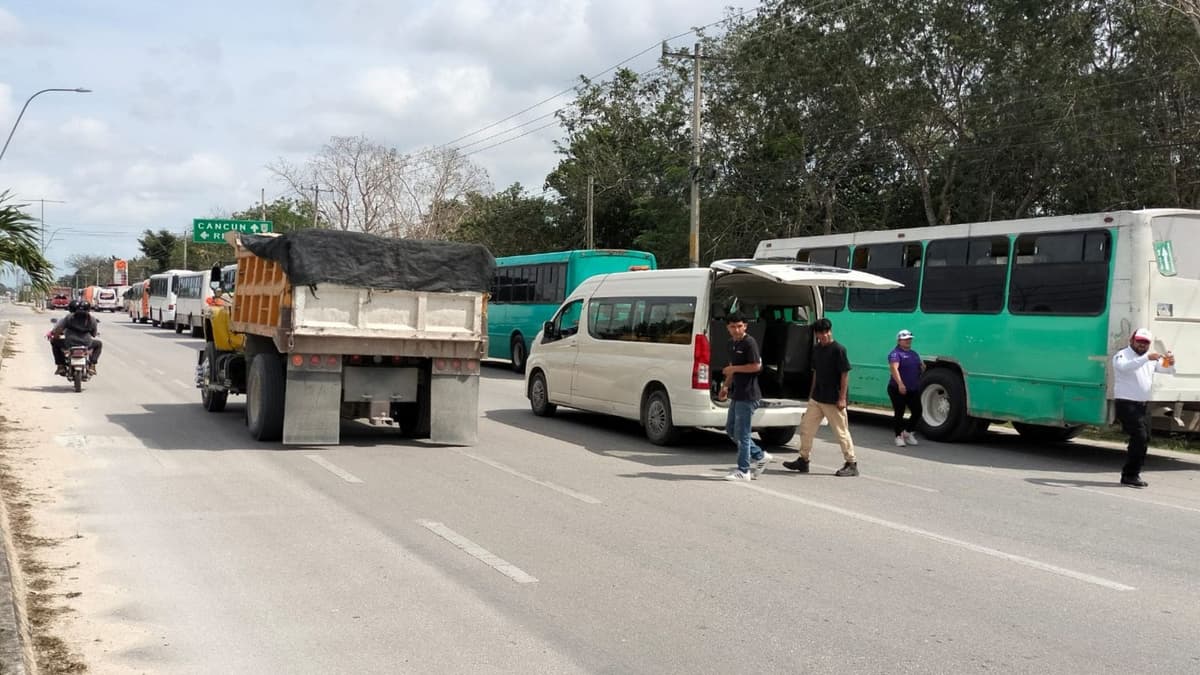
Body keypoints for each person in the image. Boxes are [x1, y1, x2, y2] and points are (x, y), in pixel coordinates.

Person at [782, 317, 858, 476]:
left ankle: (851, 463)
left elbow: (844, 374)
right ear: (816, 334)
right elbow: (816, 373)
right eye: (820, 333)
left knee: (841, 432)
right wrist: (811, 395)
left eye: (826, 332)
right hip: (817, 398)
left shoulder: (839, 350)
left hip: (833, 399)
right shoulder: (816, 349)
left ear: (830, 331)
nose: (824, 335)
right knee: (806, 428)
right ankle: (803, 460)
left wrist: (842, 398)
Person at [1111, 327, 1175, 488]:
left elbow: (1168, 371)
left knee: (1144, 438)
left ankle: (1132, 473)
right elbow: (1124, 367)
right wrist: (1146, 358)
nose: (1142, 345)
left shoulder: (1149, 358)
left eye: (1145, 342)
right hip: (1126, 403)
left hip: (1142, 404)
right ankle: (1130, 475)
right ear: (1132, 340)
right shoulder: (1122, 355)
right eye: (1139, 341)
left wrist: (1170, 362)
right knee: (1139, 436)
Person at [719, 313, 771, 481]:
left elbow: (756, 366)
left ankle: (744, 470)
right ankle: (760, 455)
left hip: (749, 395)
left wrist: (733, 369)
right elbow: (732, 367)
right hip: (737, 394)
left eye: (740, 326)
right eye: (733, 327)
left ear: (745, 326)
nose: (736, 330)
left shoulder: (750, 343)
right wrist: (725, 386)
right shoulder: (731, 344)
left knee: (743, 433)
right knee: (731, 429)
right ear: (727, 328)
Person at [887, 329, 925, 447]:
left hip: (912, 389)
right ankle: (898, 436)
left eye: (909, 339)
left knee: (918, 411)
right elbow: (894, 369)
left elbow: (918, 368)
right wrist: (900, 384)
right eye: (905, 339)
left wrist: (922, 368)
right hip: (897, 388)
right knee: (900, 412)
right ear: (899, 341)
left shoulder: (914, 354)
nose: (908, 341)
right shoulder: (895, 354)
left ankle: (908, 433)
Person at [50, 300, 102, 376]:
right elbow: (94, 334)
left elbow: (59, 329)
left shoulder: (69, 317)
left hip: (69, 343)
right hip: (86, 343)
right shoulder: (92, 319)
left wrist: (55, 337)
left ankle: (61, 366)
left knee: (54, 342)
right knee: (99, 344)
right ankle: (92, 365)